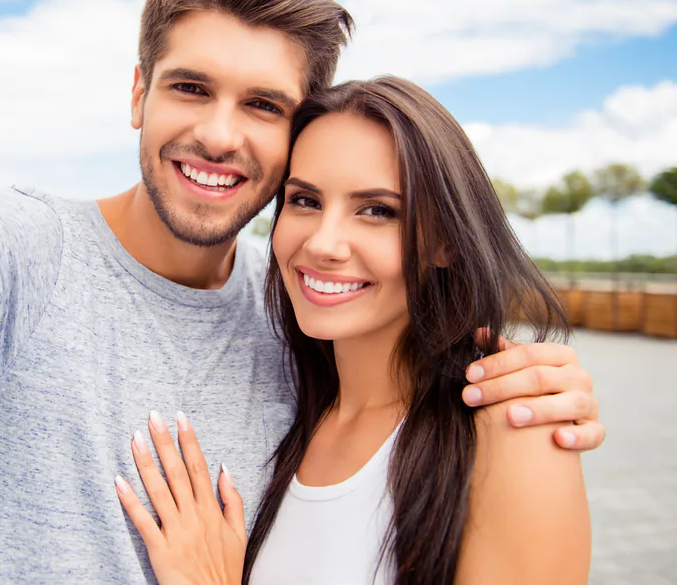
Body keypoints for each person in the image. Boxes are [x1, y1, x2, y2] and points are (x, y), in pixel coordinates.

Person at [0, 0, 601, 583]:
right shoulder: (18, 258)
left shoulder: (309, 327)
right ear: (139, 93)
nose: (217, 133)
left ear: (294, 129)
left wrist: (530, 402)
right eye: (190, 88)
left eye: (263, 105)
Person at [116, 76, 592, 585]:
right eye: (305, 201)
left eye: (377, 211)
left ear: (446, 243)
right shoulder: (291, 404)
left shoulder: (512, 431)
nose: (325, 243)